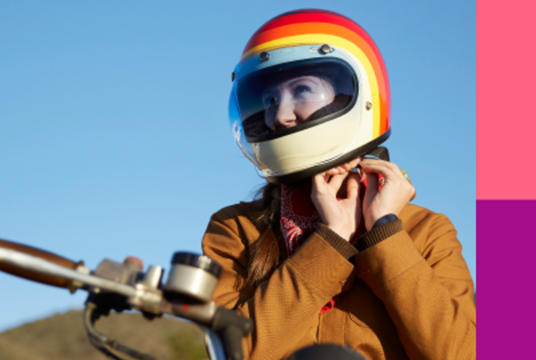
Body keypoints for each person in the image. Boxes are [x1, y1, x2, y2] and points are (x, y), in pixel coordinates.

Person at [201, 9, 476, 360]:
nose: (280, 115)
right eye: (269, 100)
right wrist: (330, 242)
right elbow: (231, 354)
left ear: (359, 93)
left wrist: (385, 235)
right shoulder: (236, 230)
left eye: (302, 90)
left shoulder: (426, 231)